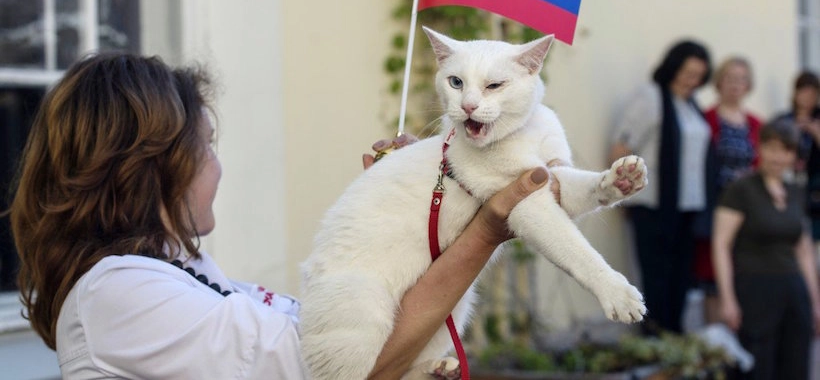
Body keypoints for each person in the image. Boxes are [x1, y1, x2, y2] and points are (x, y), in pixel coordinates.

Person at [9, 53, 551, 379]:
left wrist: (410, 215)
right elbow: (343, 364)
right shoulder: (118, 294)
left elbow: (365, 333)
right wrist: (480, 231)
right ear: (153, 165)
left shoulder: (179, 276)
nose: (218, 168)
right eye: (207, 145)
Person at [609, 39, 713, 334]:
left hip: (688, 206)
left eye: (698, 75)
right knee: (655, 277)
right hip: (653, 205)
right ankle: (655, 336)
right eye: (686, 72)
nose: (691, 80)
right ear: (673, 68)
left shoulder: (692, 106)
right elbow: (620, 147)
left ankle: (675, 334)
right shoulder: (650, 98)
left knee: (681, 276)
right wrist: (619, 194)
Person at [712, 120, 820, 380]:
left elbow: (804, 251)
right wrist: (727, 299)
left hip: (794, 291)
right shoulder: (741, 189)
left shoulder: (795, 191)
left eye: (786, 150)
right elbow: (721, 244)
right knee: (759, 367)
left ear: (793, 155)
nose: (778, 156)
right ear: (760, 148)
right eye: (771, 148)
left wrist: (815, 302)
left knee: (796, 365)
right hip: (755, 290)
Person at [694, 57, 763, 323]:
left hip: (747, 213)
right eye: (730, 78)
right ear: (719, 82)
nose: (736, 84)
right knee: (712, 277)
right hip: (714, 209)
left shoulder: (756, 124)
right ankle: (716, 345)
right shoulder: (706, 119)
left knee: (743, 273)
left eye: (742, 79)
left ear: (749, 85)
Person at [772, 71, 820, 241]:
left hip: (814, 184)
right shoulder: (784, 120)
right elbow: (772, 148)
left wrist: (816, 134)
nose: (808, 99)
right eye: (804, 93)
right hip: (788, 180)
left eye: (813, 94)